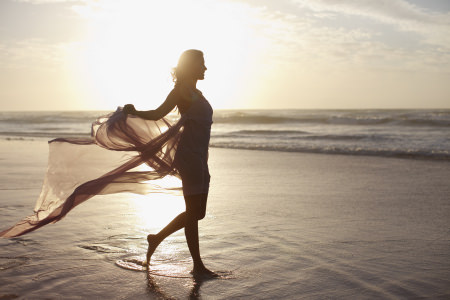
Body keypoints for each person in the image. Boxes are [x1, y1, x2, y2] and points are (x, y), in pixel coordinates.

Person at [123, 49, 215, 277]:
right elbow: (157, 114)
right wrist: (134, 112)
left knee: (198, 213)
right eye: (201, 63)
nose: (205, 68)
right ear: (191, 65)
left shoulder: (196, 92)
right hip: (189, 157)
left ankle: (156, 238)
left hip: (200, 157)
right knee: (193, 212)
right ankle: (198, 266)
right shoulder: (181, 91)